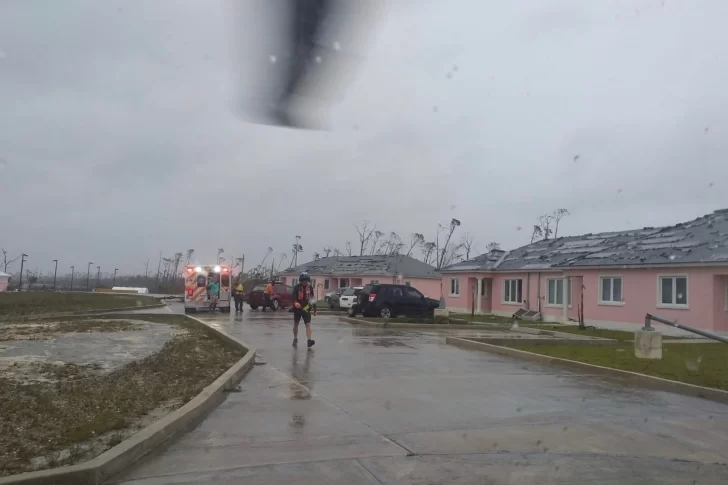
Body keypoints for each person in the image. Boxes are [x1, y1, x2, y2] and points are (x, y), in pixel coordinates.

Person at [292, 271, 316, 348]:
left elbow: (312, 298)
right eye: (303, 281)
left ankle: (309, 340)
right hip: (298, 307)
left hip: (306, 307)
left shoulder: (310, 288)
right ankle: (295, 338)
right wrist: (295, 302)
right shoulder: (297, 287)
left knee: (308, 324)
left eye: (306, 281)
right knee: (296, 324)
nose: (305, 283)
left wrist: (315, 309)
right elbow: (293, 296)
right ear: (301, 281)